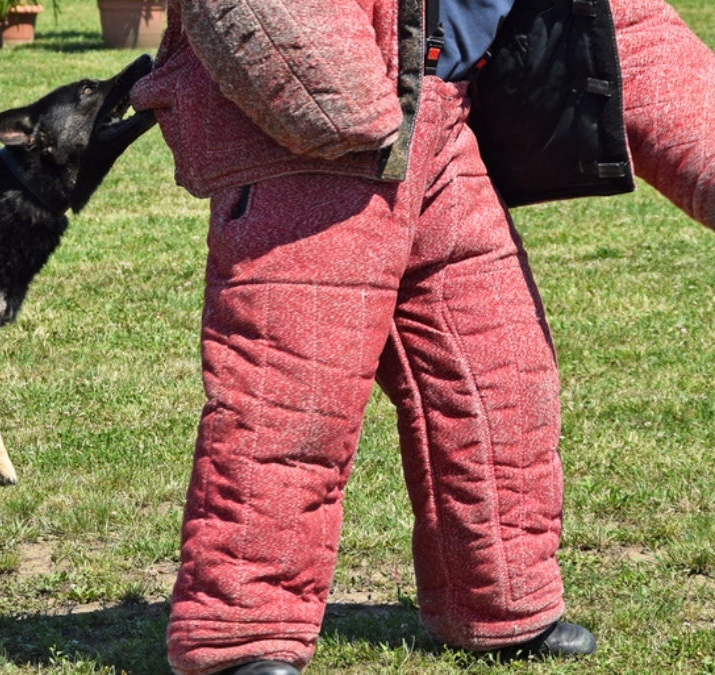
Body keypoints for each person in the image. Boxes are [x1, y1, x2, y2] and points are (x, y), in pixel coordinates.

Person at [128, 0, 715, 673]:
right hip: (311, 145)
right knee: (290, 398)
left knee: (497, 375)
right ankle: (243, 631)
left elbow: (626, 29)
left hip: (438, 125)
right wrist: (340, 100)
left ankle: (502, 602)